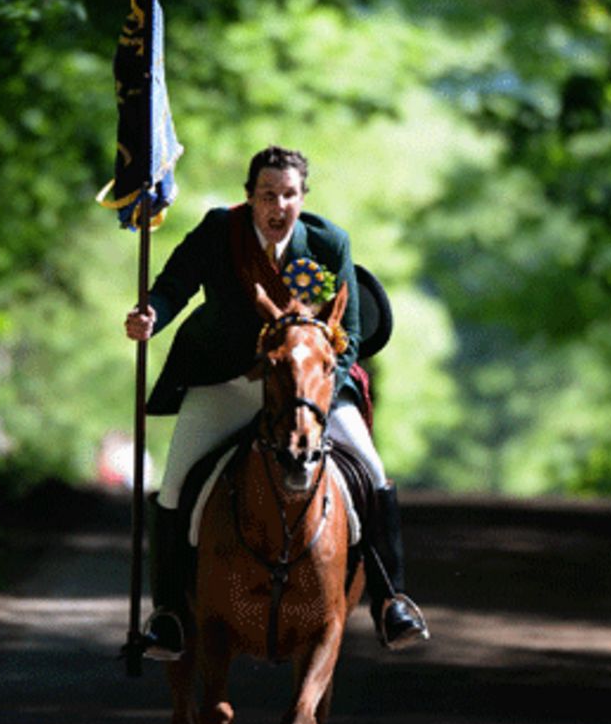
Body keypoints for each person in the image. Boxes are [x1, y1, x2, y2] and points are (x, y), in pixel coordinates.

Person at [125, 144, 430, 659]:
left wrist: (313, 376)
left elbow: (349, 335)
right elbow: (173, 287)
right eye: (268, 194)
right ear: (249, 197)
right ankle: (169, 614)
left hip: (307, 391)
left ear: (301, 197)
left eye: (289, 194)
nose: (279, 205)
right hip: (227, 380)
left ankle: (390, 601)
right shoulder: (219, 231)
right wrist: (150, 315)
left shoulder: (330, 243)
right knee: (174, 484)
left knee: (373, 472)